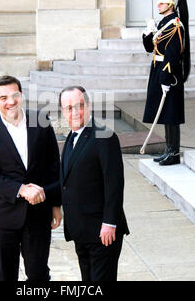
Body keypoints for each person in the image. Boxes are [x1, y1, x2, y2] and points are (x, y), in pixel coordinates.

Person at [0, 75, 62, 281]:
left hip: (38, 214)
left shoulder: (41, 122)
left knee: (39, 275)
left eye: (14, 95)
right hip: (2, 215)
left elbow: (53, 166)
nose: (10, 101)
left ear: (21, 95)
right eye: (3, 98)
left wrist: (56, 203)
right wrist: (21, 189)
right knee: (5, 275)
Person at [58, 86, 129, 281]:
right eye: (69, 108)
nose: (74, 112)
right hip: (81, 231)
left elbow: (114, 183)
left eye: (79, 106)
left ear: (88, 106)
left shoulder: (104, 137)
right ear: (63, 111)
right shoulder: (72, 138)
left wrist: (109, 223)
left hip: (102, 232)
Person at [142, 0, 191, 166]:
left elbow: (173, 53)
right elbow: (149, 48)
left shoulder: (175, 25)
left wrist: (165, 78)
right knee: (164, 113)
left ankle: (173, 152)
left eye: (161, 4)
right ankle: (168, 149)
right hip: (159, 69)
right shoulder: (163, 23)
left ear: (170, 5)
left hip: (169, 74)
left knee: (171, 114)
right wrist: (148, 32)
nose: (158, 6)